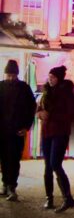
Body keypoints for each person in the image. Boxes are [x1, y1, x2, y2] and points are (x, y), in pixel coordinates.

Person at [36, 66, 74, 211]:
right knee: (47, 166)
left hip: (60, 132)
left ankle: (68, 198)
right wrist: (40, 113)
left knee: (55, 164)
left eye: (53, 77)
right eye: (49, 76)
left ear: (59, 78)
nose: (50, 79)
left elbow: (70, 114)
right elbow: (39, 108)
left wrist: (51, 115)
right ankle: (49, 198)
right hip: (47, 131)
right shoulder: (46, 91)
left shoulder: (66, 94)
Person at [0, 59, 37, 202]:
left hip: (16, 131)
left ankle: (11, 186)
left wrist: (26, 127)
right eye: (8, 75)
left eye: (12, 75)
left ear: (17, 75)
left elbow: (31, 108)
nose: (10, 78)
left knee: (14, 159)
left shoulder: (24, 88)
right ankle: (5, 184)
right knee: (4, 158)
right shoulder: (1, 86)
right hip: (2, 130)